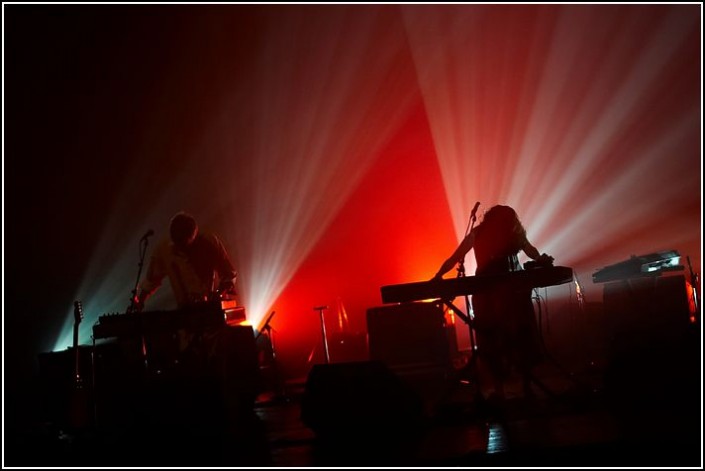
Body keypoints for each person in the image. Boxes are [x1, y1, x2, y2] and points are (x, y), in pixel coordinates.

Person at [432, 204, 554, 402]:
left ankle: (512, 388)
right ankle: (515, 388)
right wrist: (439, 274)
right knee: (505, 338)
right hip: (498, 295)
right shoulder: (487, 233)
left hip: (505, 295)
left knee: (509, 338)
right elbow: (456, 258)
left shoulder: (506, 233)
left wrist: (541, 259)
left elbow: (530, 249)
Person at [132, 211, 238, 312]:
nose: (182, 250)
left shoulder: (209, 242)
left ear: (194, 236)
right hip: (184, 311)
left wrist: (218, 293)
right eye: (178, 243)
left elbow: (229, 274)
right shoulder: (164, 251)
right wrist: (140, 301)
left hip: (211, 309)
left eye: (186, 246)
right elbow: (151, 280)